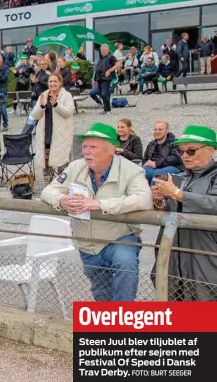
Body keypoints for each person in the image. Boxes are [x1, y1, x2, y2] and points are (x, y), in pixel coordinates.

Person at [41, 123, 153, 302]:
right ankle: (108, 326)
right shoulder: (75, 167)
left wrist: (99, 205)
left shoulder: (131, 169)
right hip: (88, 243)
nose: (86, 151)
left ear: (112, 149)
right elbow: (48, 191)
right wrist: (62, 200)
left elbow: (144, 199)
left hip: (119, 237)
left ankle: (124, 321)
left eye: (93, 147)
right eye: (84, 146)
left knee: (126, 265)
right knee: (102, 294)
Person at [151, 125, 217, 301]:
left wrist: (175, 193)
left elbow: (213, 204)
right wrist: (159, 200)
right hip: (174, 257)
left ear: (210, 151)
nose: (185, 156)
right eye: (181, 151)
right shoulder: (179, 176)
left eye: (191, 151)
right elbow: (170, 210)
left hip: (206, 257)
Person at [28, 72, 75, 183]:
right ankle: (47, 185)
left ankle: (62, 186)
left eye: (55, 81)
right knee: (46, 162)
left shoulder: (66, 95)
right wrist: (42, 106)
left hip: (61, 133)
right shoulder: (43, 95)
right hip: (45, 133)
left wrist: (56, 105)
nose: (52, 83)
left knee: (61, 162)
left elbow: (69, 112)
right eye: (50, 81)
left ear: (60, 83)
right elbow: (34, 115)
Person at [92, 44, 121, 115]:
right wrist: (94, 80)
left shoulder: (111, 57)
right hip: (100, 79)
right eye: (102, 49)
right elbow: (97, 70)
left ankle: (108, 110)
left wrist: (109, 71)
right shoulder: (100, 58)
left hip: (107, 79)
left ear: (108, 50)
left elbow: (118, 64)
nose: (103, 51)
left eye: (104, 49)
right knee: (102, 95)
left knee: (104, 94)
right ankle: (105, 110)